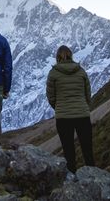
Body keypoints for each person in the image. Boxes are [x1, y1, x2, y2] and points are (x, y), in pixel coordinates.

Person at [46, 45, 96, 173]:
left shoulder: (53, 73)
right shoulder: (81, 71)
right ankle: (94, 178)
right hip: (82, 115)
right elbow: (87, 94)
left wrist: (59, 107)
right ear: (71, 55)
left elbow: (51, 97)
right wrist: (83, 106)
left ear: (57, 57)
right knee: (87, 149)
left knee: (68, 151)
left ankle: (72, 180)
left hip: (63, 117)